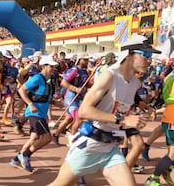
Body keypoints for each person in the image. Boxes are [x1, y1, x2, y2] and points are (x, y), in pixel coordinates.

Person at [50, 34, 159, 186]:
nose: (149, 60)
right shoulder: (109, 76)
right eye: (145, 55)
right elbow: (84, 111)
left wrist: (139, 114)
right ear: (129, 54)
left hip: (110, 147)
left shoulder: (135, 83)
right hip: (90, 144)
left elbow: (121, 107)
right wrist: (123, 119)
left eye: (150, 56)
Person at [9, 55, 57, 172]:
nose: (53, 68)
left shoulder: (48, 81)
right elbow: (22, 90)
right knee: (47, 138)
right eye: (51, 66)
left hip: (41, 114)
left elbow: (44, 97)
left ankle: (16, 159)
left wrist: (56, 102)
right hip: (34, 113)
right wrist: (30, 104)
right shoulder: (37, 78)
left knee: (33, 139)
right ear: (44, 66)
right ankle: (25, 155)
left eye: (54, 66)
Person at [145, 71, 174, 185]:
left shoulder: (170, 77)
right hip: (172, 120)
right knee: (172, 154)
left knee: (171, 153)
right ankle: (153, 178)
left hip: (170, 117)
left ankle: (166, 170)